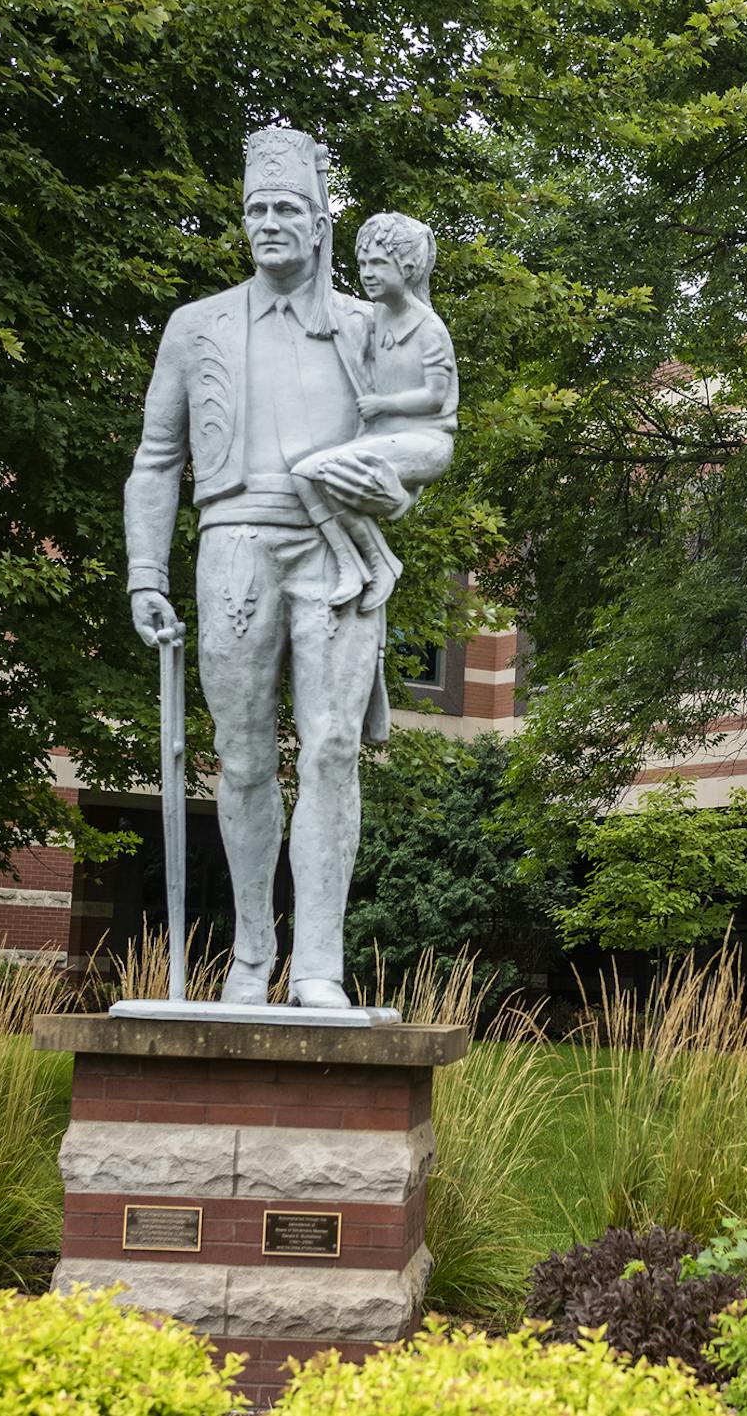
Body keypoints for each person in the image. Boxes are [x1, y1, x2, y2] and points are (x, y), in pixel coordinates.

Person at [122, 127, 453, 1010]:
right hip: (231, 543)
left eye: (288, 209)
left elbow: (431, 434)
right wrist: (144, 573)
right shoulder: (196, 327)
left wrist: (385, 473)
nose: (270, 223)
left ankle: (319, 964)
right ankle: (251, 954)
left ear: (319, 225)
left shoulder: (366, 324)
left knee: (334, 749)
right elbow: (157, 460)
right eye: (256, 209)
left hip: (335, 549)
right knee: (240, 758)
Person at [291, 210, 458, 609]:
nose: (367, 272)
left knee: (317, 474)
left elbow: (435, 397)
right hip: (382, 436)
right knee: (304, 475)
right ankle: (362, 562)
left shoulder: (429, 328)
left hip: (425, 442)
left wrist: (384, 404)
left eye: (378, 264)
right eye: (363, 263)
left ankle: (382, 537)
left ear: (409, 267)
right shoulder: (377, 314)